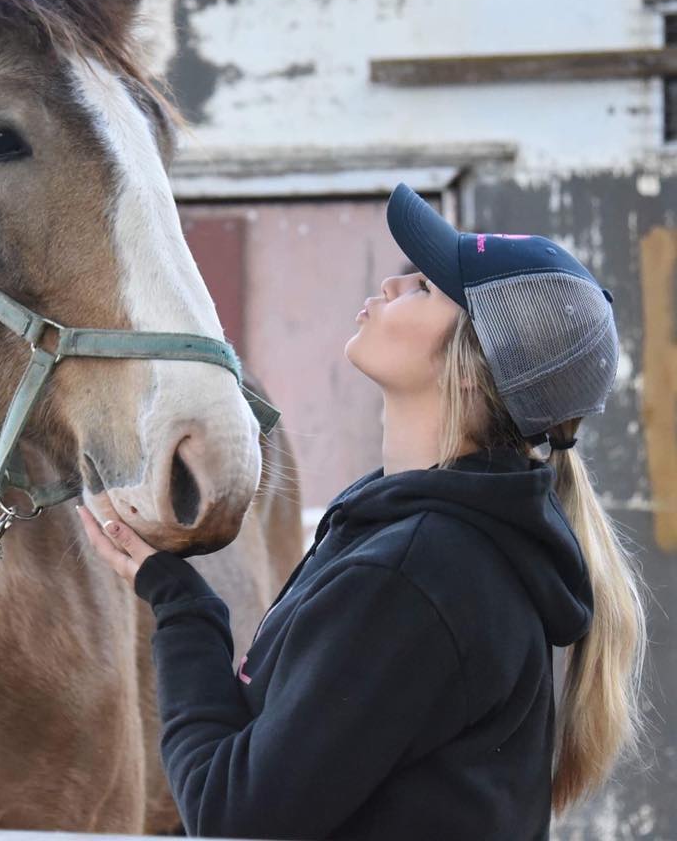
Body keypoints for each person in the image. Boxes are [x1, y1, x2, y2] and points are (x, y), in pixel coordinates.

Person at [76, 182, 648, 840]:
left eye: (425, 288)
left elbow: (232, 818)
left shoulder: (417, 575)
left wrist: (184, 608)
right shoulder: (420, 541)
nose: (391, 285)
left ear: (470, 368)